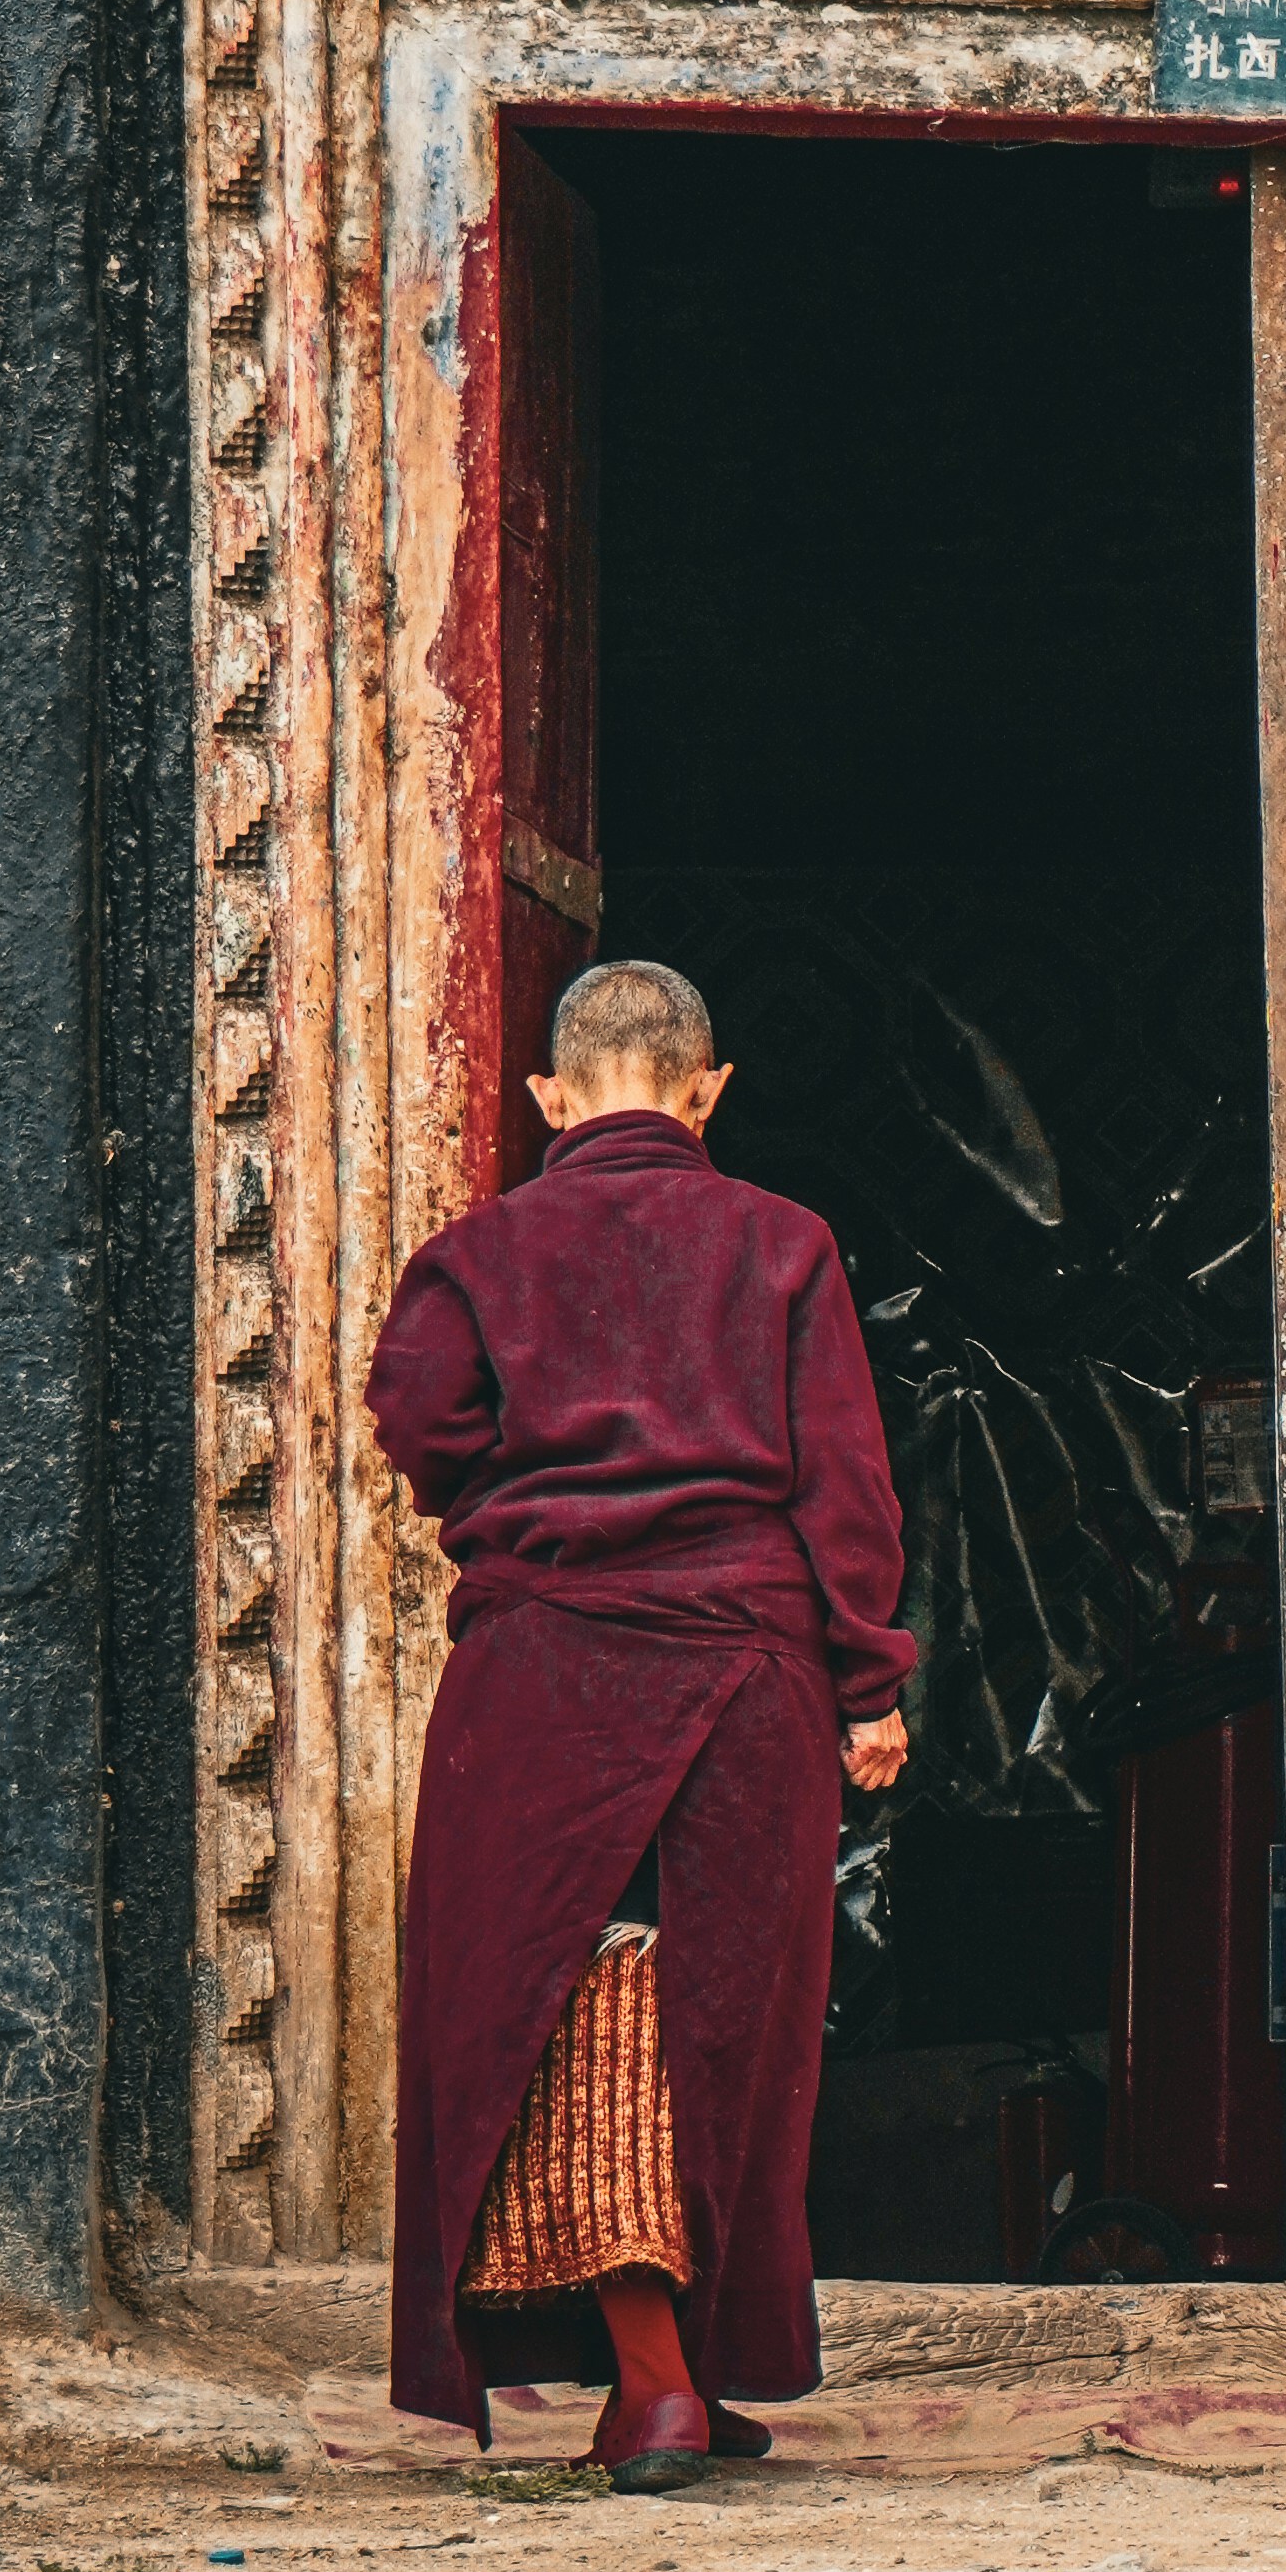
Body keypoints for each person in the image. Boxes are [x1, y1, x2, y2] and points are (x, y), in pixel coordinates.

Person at [367, 958, 913, 2492]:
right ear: (705, 1086)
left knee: (561, 2002)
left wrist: (515, 1518)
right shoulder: (782, 1242)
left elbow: (413, 1411)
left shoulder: (475, 1254)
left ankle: (661, 2373)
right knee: (717, 2017)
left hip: (539, 1671)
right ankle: (666, 2377)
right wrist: (867, 1675)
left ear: (550, 1095)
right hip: (747, 1665)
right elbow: (842, 1483)